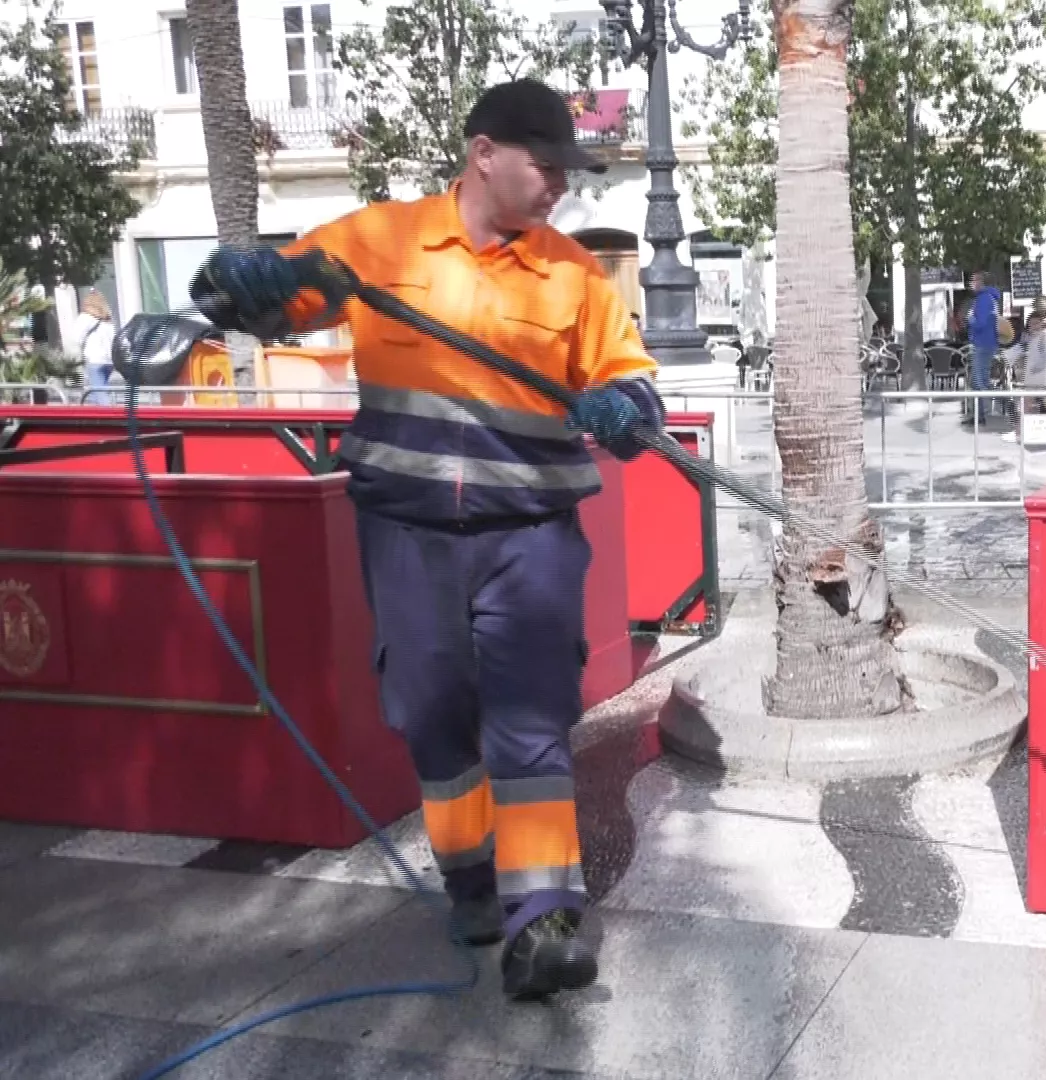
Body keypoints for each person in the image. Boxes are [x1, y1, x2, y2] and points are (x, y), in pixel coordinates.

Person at [187, 78, 663, 1001]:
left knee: (530, 720)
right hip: (407, 533)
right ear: (485, 153)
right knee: (435, 717)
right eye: (548, 164)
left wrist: (625, 409)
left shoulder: (572, 273)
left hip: (531, 535)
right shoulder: (376, 243)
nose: (562, 182)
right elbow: (253, 306)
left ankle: (545, 919)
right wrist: (233, 283)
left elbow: (631, 382)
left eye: (570, 168)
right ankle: (471, 879)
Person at [966, 270, 1003, 424]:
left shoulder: (983, 299)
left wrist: (970, 319)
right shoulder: (989, 298)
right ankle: (978, 415)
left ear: (981, 282)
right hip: (986, 343)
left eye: (974, 281)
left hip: (982, 344)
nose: (971, 284)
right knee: (977, 381)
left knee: (980, 382)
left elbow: (980, 323)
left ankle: (989, 415)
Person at [74, 290, 116, 392]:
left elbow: (76, 338)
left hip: (94, 359)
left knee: (99, 392)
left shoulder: (86, 317)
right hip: (109, 361)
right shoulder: (108, 320)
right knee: (99, 391)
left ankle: (107, 408)